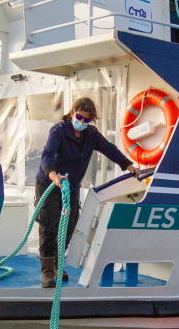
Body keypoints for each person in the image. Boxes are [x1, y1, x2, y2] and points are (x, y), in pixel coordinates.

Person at [36, 97, 140, 288]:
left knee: (69, 226)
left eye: (87, 120)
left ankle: (59, 266)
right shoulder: (58, 131)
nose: (82, 122)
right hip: (50, 183)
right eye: (79, 117)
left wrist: (128, 165)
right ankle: (47, 273)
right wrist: (54, 176)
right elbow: (47, 156)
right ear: (73, 111)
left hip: (71, 185)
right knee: (49, 227)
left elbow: (109, 149)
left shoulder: (91, 134)